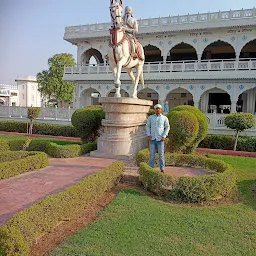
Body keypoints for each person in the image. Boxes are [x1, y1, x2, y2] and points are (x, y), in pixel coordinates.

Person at [146, 104, 170, 173]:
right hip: (152, 139)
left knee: (161, 155)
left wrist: (164, 135)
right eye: (156, 108)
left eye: (159, 108)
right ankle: (151, 168)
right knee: (151, 155)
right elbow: (147, 126)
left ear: (161, 109)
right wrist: (148, 134)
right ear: (154, 109)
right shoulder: (151, 117)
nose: (158, 110)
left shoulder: (164, 118)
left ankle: (162, 169)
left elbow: (167, 127)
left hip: (160, 139)